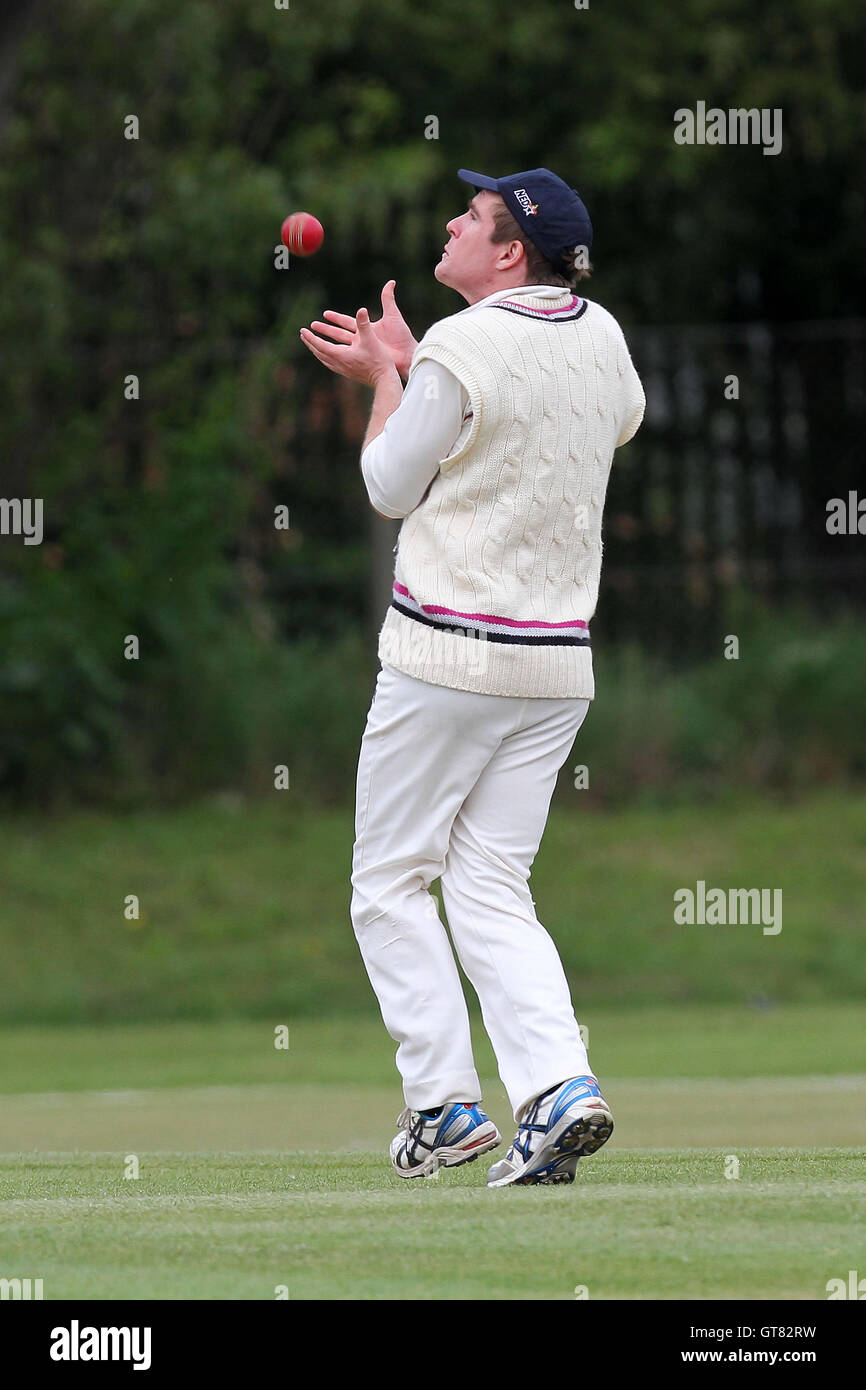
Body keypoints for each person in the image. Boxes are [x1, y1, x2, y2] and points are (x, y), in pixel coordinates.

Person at [300, 167, 645, 1187]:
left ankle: (445, 1106)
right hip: (554, 669)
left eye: (473, 216)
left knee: (389, 881)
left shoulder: (459, 343)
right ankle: (558, 1088)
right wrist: (428, 377)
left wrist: (393, 379)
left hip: (447, 655)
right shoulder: (602, 333)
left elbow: (387, 486)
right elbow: (607, 420)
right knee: (490, 882)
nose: (451, 221)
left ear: (509, 252)